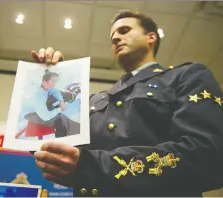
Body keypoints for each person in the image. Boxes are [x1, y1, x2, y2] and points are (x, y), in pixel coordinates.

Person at [31, 10, 223, 196]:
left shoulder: (187, 76)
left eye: (124, 31)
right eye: (112, 36)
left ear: (151, 37)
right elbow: (49, 144)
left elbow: (207, 155)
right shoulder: (94, 100)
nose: (115, 38)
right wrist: (53, 83)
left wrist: (92, 165)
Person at [24, 70, 80, 139]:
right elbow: (46, 116)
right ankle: (72, 95)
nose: (54, 83)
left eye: (55, 81)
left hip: (45, 112)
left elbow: (55, 91)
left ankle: (70, 95)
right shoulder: (38, 95)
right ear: (44, 81)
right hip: (44, 117)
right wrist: (59, 109)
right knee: (61, 119)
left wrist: (61, 100)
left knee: (57, 94)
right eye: (52, 81)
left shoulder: (46, 88)